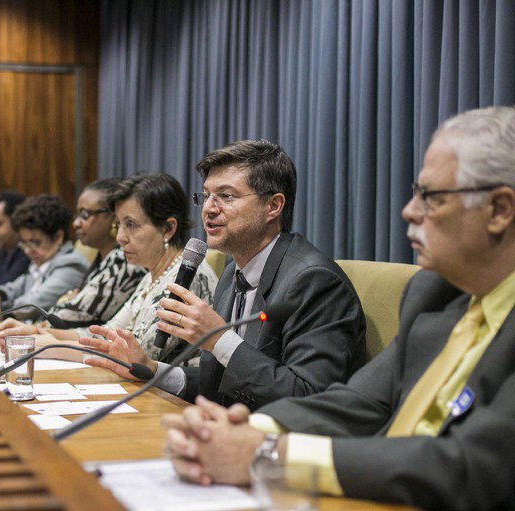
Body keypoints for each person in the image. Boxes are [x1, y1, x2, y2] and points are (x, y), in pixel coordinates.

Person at [162, 106, 515, 510]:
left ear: (499, 210)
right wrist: (243, 432)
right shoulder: (437, 295)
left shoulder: (313, 278)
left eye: (431, 197)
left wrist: (268, 456)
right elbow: (356, 402)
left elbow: (469, 466)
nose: (410, 211)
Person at [80, 140, 365, 410]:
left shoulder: (313, 280)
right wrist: (152, 371)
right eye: (205, 196)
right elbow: (220, 384)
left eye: (226, 196)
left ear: (274, 206)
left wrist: (219, 340)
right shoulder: (233, 274)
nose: (209, 209)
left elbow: (310, 396)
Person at [0, 173, 218, 365]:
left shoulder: (185, 276)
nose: (120, 238)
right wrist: (37, 332)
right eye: (118, 225)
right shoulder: (154, 273)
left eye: (130, 225)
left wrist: (49, 346)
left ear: (168, 228)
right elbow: (108, 332)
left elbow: (138, 355)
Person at [48, 178, 146, 327]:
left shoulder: (125, 262)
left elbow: (69, 317)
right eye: (78, 215)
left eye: (85, 215)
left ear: (114, 218)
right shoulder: (102, 260)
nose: (76, 223)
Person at [0, 194, 89, 320]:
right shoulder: (40, 262)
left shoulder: (72, 265)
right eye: (24, 243)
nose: (27, 250)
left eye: (35, 242)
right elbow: (14, 288)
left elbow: (35, 303)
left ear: (58, 237)